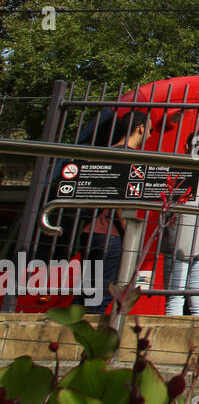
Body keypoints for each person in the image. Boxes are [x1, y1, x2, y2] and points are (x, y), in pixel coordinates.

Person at [75, 110, 152, 314]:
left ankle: (67, 336)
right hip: (112, 233)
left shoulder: (105, 153)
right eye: (150, 130)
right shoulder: (129, 156)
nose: (150, 135)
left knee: (85, 292)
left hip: (91, 231)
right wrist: (130, 236)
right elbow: (122, 201)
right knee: (102, 295)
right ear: (140, 128)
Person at [165, 132, 199, 315]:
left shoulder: (179, 172)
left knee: (174, 297)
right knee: (197, 300)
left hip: (177, 243)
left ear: (187, 147)